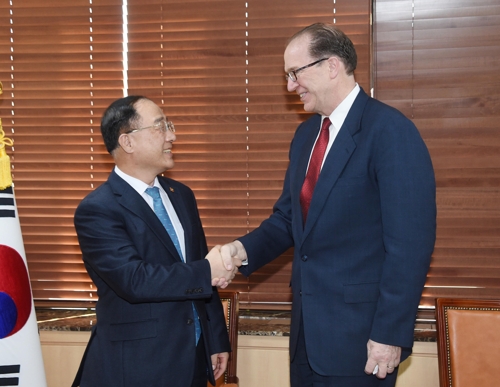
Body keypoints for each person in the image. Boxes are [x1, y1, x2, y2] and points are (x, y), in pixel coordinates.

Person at [217, 23, 436, 387]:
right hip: (307, 336)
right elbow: (290, 219)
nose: (290, 86)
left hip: (364, 341)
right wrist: (239, 251)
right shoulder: (306, 136)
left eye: (295, 73)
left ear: (331, 66)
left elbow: (410, 247)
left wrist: (390, 334)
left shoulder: (389, 131)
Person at [71, 95, 240, 387]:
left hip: (193, 358)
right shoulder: (98, 209)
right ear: (128, 142)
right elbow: (134, 280)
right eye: (161, 127)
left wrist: (215, 338)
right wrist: (207, 270)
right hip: (137, 365)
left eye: (169, 125)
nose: (172, 136)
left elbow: (200, 273)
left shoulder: (182, 195)